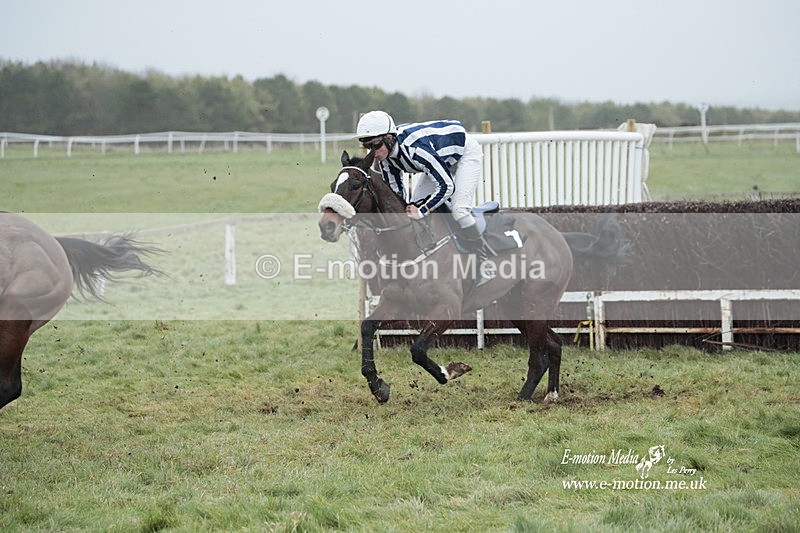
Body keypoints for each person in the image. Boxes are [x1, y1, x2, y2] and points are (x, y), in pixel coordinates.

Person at [355, 110, 494, 285]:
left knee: (459, 211)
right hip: (438, 158)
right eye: (367, 146)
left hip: (464, 153)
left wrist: (422, 210)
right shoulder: (386, 159)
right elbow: (397, 196)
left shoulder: (416, 150)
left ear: (390, 138)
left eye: (375, 145)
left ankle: (484, 261)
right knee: (411, 207)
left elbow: (447, 186)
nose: (372, 152)